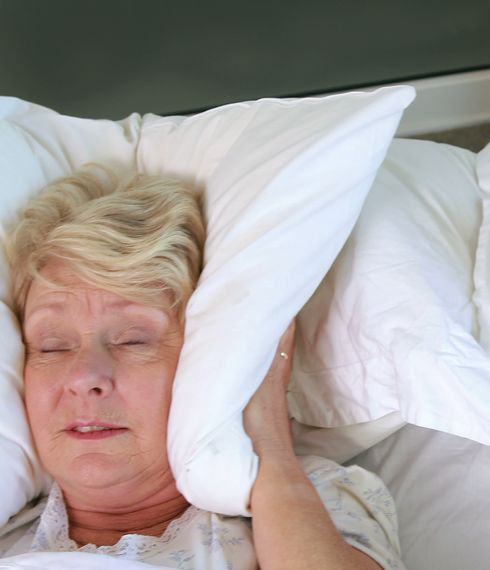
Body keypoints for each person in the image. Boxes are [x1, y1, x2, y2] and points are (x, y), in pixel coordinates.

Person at [0, 166, 402, 569]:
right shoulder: (9, 532)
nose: (83, 377)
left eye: (132, 340)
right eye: (52, 347)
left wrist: (268, 440)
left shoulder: (312, 503)